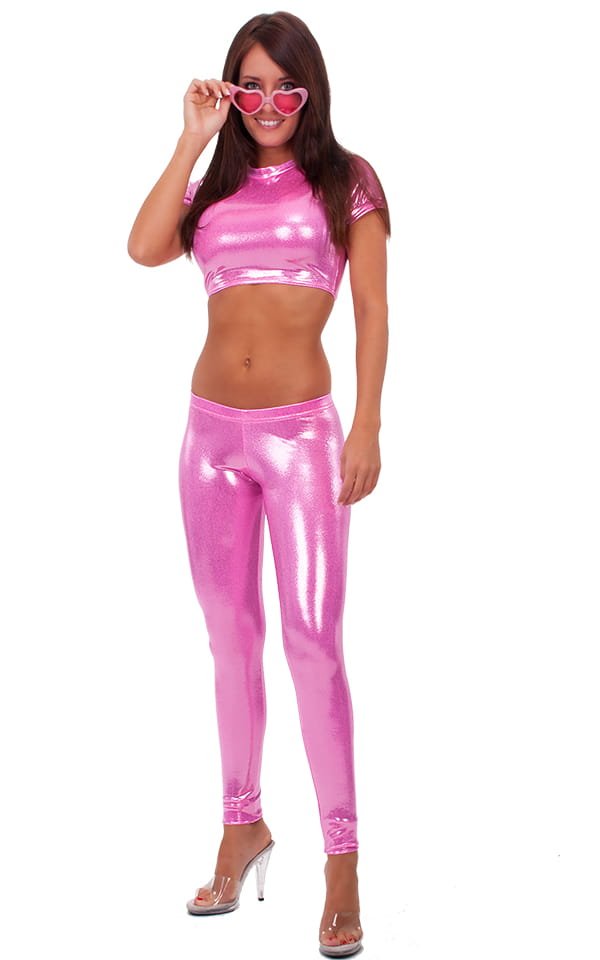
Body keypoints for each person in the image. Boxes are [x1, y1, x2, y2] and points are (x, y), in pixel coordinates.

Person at [127, 10, 390, 956]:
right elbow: (143, 246)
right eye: (251, 86)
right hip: (209, 439)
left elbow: (372, 312)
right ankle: (241, 827)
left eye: (288, 86)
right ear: (231, 91)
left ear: (312, 93)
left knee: (313, 645)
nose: (270, 103)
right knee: (229, 640)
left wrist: (366, 424)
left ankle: (342, 861)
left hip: (301, 439)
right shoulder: (215, 184)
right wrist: (192, 137)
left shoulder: (347, 181)